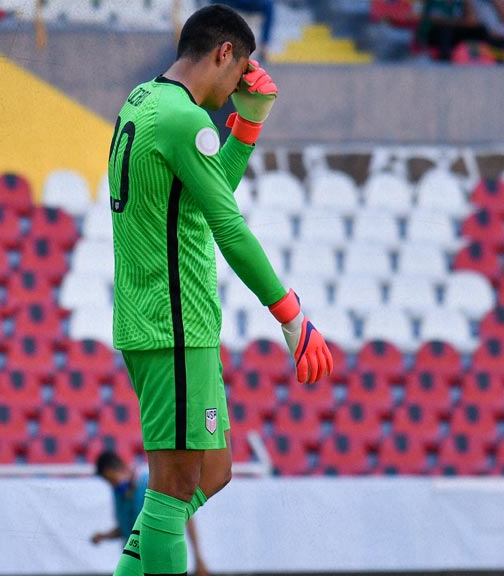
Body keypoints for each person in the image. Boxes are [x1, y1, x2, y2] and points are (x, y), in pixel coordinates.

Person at [105, 5, 334, 576]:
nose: (240, 86)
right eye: (242, 72)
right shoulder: (186, 120)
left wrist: (248, 124)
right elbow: (227, 224)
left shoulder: (143, 101)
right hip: (173, 324)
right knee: (173, 489)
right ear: (224, 53)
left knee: (211, 474)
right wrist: (291, 314)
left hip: (162, 323)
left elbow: (206, 197)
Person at [92, 451, 209, 576]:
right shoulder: (118, 494)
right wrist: (104, 536)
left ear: (121, 468)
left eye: (111, 480)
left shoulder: (152, 484)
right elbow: (127, 529)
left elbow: (185, 517)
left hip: (160, 562)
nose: (112, 485)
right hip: (135, 563)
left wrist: (198, 558)